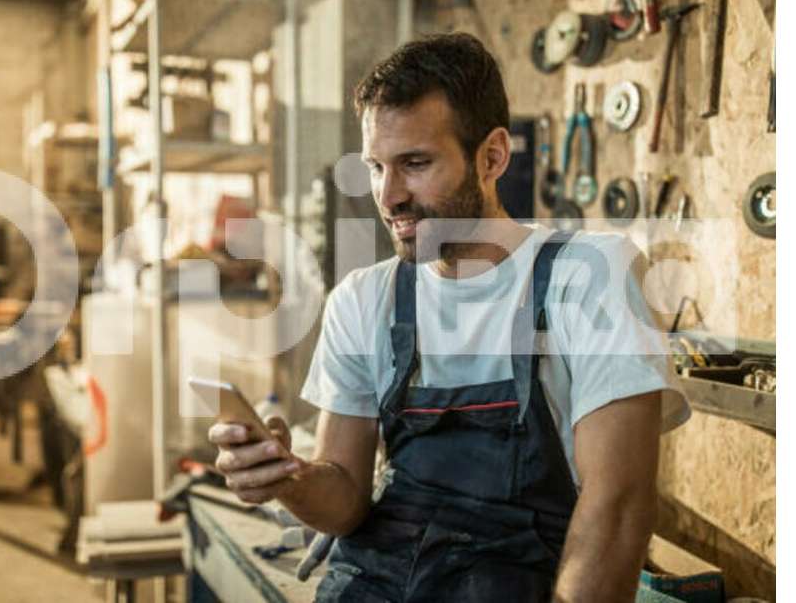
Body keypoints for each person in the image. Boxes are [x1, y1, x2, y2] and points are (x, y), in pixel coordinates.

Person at [208, 32, 689, 602]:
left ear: (492, 157)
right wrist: (287, 477)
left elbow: (618, 504)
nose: (388, 196)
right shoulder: (363, 298)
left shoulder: (588, 274)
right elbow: (343, 499)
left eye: (415, 164)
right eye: (376, 167)